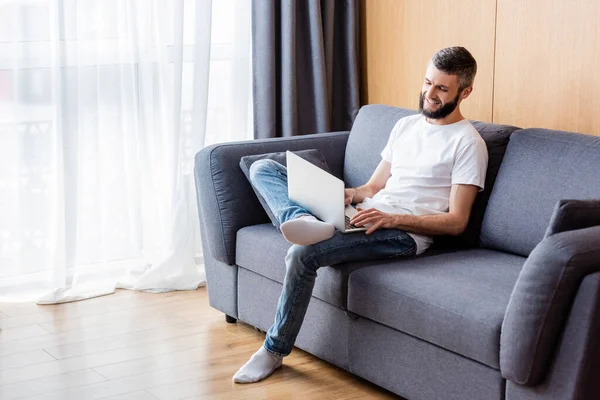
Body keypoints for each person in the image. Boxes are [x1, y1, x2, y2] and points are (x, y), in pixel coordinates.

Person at [233, 46, 489, 383]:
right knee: (265, 167)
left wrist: (392, 218)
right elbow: (372, 187)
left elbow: (457, 222)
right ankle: (302, 218)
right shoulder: (406, 126)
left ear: (465, 91)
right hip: (368, 214)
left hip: (402, 233)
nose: (429, 94)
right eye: (428, 82)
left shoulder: (468, 143)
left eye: (442, 88)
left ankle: (273, 350)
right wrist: (344, 195)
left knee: (302, 254)